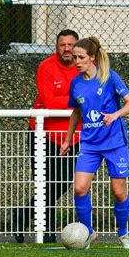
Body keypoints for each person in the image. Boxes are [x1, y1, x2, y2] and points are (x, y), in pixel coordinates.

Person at [60, 36, 129, 249]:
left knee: (119, 192)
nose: (76, 61)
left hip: (114, 143)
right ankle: (88, 234)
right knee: (79, 189)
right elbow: (76, 112)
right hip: (89, 145)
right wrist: (68, 139)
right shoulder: (76, 83)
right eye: (74, 57)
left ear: (92, 58)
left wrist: (115, 115)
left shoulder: (109, 77)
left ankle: (123, 234)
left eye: (81, 57)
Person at [14, 29, 81, 243]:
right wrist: (77, 100)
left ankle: (23, 214)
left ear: (77, 46)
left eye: (70, 45)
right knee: (45, 181)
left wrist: (69, 99)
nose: (67, 49)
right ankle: (48, 231)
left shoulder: (84, 66)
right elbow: (49, 102)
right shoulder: (46, 67)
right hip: (43, 133)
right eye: (63, 45)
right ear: (57, 47)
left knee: (62, 182)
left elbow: (91, 96)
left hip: (73, 136)